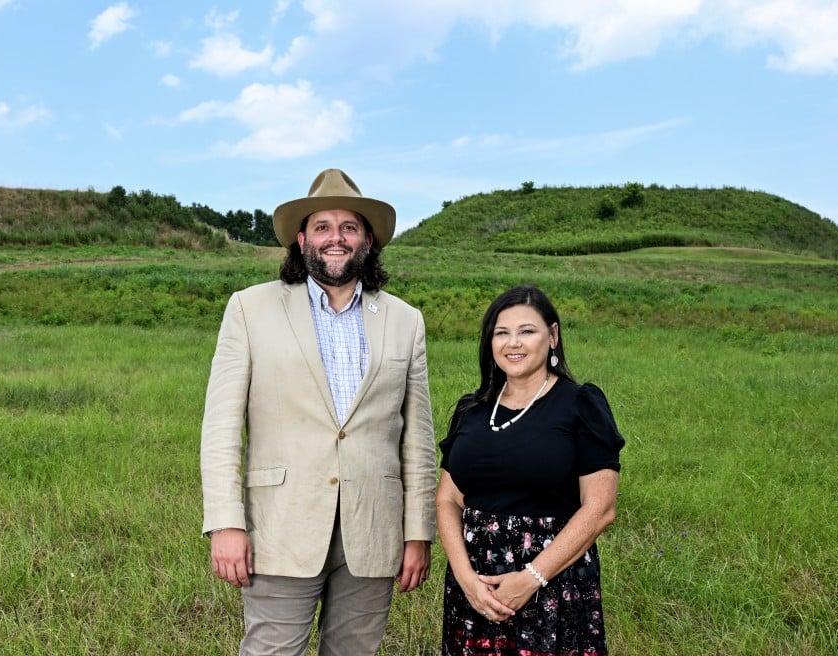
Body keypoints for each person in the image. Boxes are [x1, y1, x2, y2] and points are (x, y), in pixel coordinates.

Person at [200, 168, 437, 656]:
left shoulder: (405, 320)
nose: (336, 238)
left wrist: (418, 531)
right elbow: (221, 427)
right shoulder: (250, 309)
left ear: (367, 240)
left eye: (349, 227)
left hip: (372, 529)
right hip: (280, 527)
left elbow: (417, 439)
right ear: (302, 238)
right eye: (324, 226)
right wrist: (226, 522)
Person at [436, 285, 625, 656]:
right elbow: (447, 499)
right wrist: (465, 578)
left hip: (553, 581)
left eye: (527, 331)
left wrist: (530, 579)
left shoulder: (580, 404)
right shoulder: (471, 410)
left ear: (553, 336)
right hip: (476, 589)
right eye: (501, 332)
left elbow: (600, 508)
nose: (513, 343)